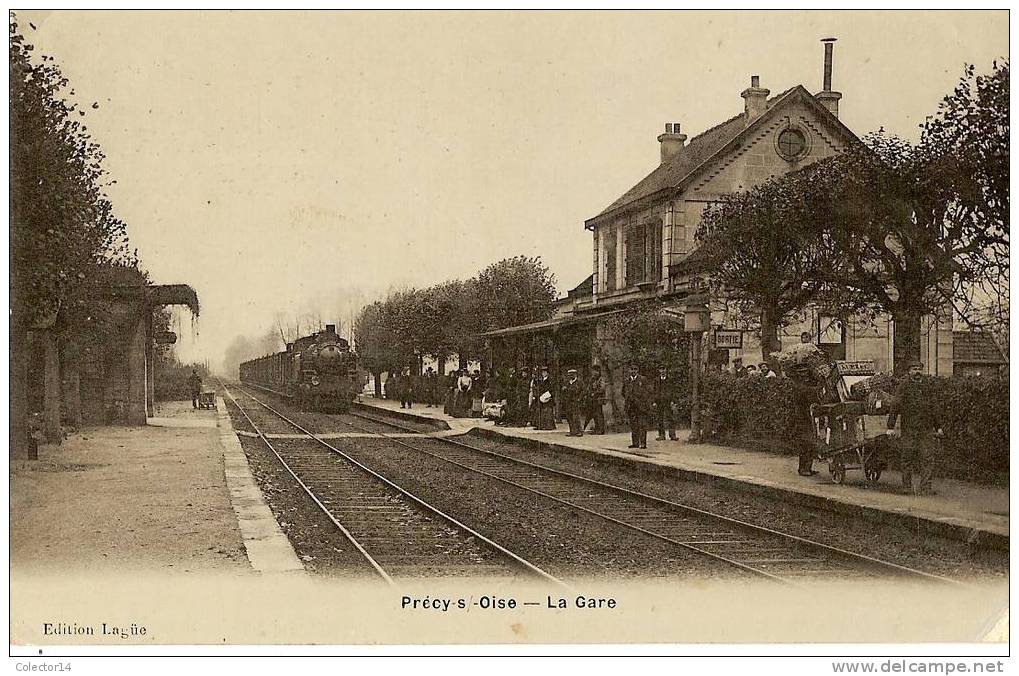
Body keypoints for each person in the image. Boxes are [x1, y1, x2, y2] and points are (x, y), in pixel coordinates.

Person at [887, 360, 942, 496]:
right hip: (909, 428)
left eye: (919, 369)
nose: (917, 372)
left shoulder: (928, 386)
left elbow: (934, 406)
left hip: (926, 428)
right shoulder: (904, 386)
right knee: (907, 457)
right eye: (914, 369)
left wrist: (939, 426)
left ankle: (925, 488)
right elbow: (895, 405)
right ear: (909, 371)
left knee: (927, 458)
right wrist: (890, 427)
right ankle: (906, 486)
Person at [788, 364, 820, 476]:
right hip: (801, 418)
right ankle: (802, 469)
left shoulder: (806, 384)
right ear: (798, 374)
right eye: (801, 373)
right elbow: (804, 393)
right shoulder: (798, 386)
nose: (804, 375)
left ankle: (808, 467)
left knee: (810, 444)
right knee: (805, 444)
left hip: (808, 417)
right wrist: (817, 389)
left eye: (805, 372)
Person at [622, 363, 651, 449]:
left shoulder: (642, 379)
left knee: (642, 424)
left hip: (641, 406)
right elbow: (623, 392)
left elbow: (647, 391)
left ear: (637, 370)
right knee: (633, 425)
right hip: (631, 406)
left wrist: (642, 401)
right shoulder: (627, 381)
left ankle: (643, 443)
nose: (633, 371)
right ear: (629, 370)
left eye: (635, 369)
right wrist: (628, 399)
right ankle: (635, 443)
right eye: (632, 369)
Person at [653, 365, 678, 441]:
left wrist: (673, 401)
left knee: (670, 418)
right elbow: (654, 391)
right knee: (659, 418)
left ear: (666, 370)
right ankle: (661, 435)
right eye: (661, 369)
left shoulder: (670, 380)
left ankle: (672, 435)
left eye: (664, 369)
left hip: (668, 401)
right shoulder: (656, 380)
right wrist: (654, 401)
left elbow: (673, 391)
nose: (662, 371)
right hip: (659, 402)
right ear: (659, 370)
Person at [561, 368, 585, 437]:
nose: (570, 376)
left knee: (576, 417)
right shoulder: (567, 383)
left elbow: (583, 391)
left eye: (572, 375)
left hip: (575, 401)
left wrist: (579, 399)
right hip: (568, 402)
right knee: (569, 417)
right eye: (569, 375)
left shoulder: (579, 382)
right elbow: (564, 391)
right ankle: (572, 431)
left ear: (575, 374)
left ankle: (579, 431)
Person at [583, 364, 607, 435]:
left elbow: (602, 389)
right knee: (594, 415)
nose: (594, 373)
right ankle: (597, 429)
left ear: (599, 371)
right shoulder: (592, 379)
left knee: (599, 414)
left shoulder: (601, 379)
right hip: (592, 399)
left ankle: (601, 430)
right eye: (593, 371)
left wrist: (595, 393)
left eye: (595, 371)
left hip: (598, 399)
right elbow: (589, 388)